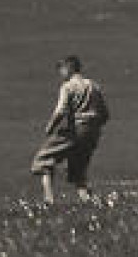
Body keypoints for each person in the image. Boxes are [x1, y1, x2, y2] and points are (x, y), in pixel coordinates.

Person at [30, 55, 111, 204]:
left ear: (68, 69)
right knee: (78, 172)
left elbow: (61, 111)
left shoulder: (68, 86)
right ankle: (89, 202)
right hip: (92, 132)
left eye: (61, 69)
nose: (60, 73)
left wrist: (50, 127)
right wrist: (93, 127)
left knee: (43, 160)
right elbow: (105, 114)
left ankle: (48, 200)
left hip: (76, 130)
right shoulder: (93, 85)